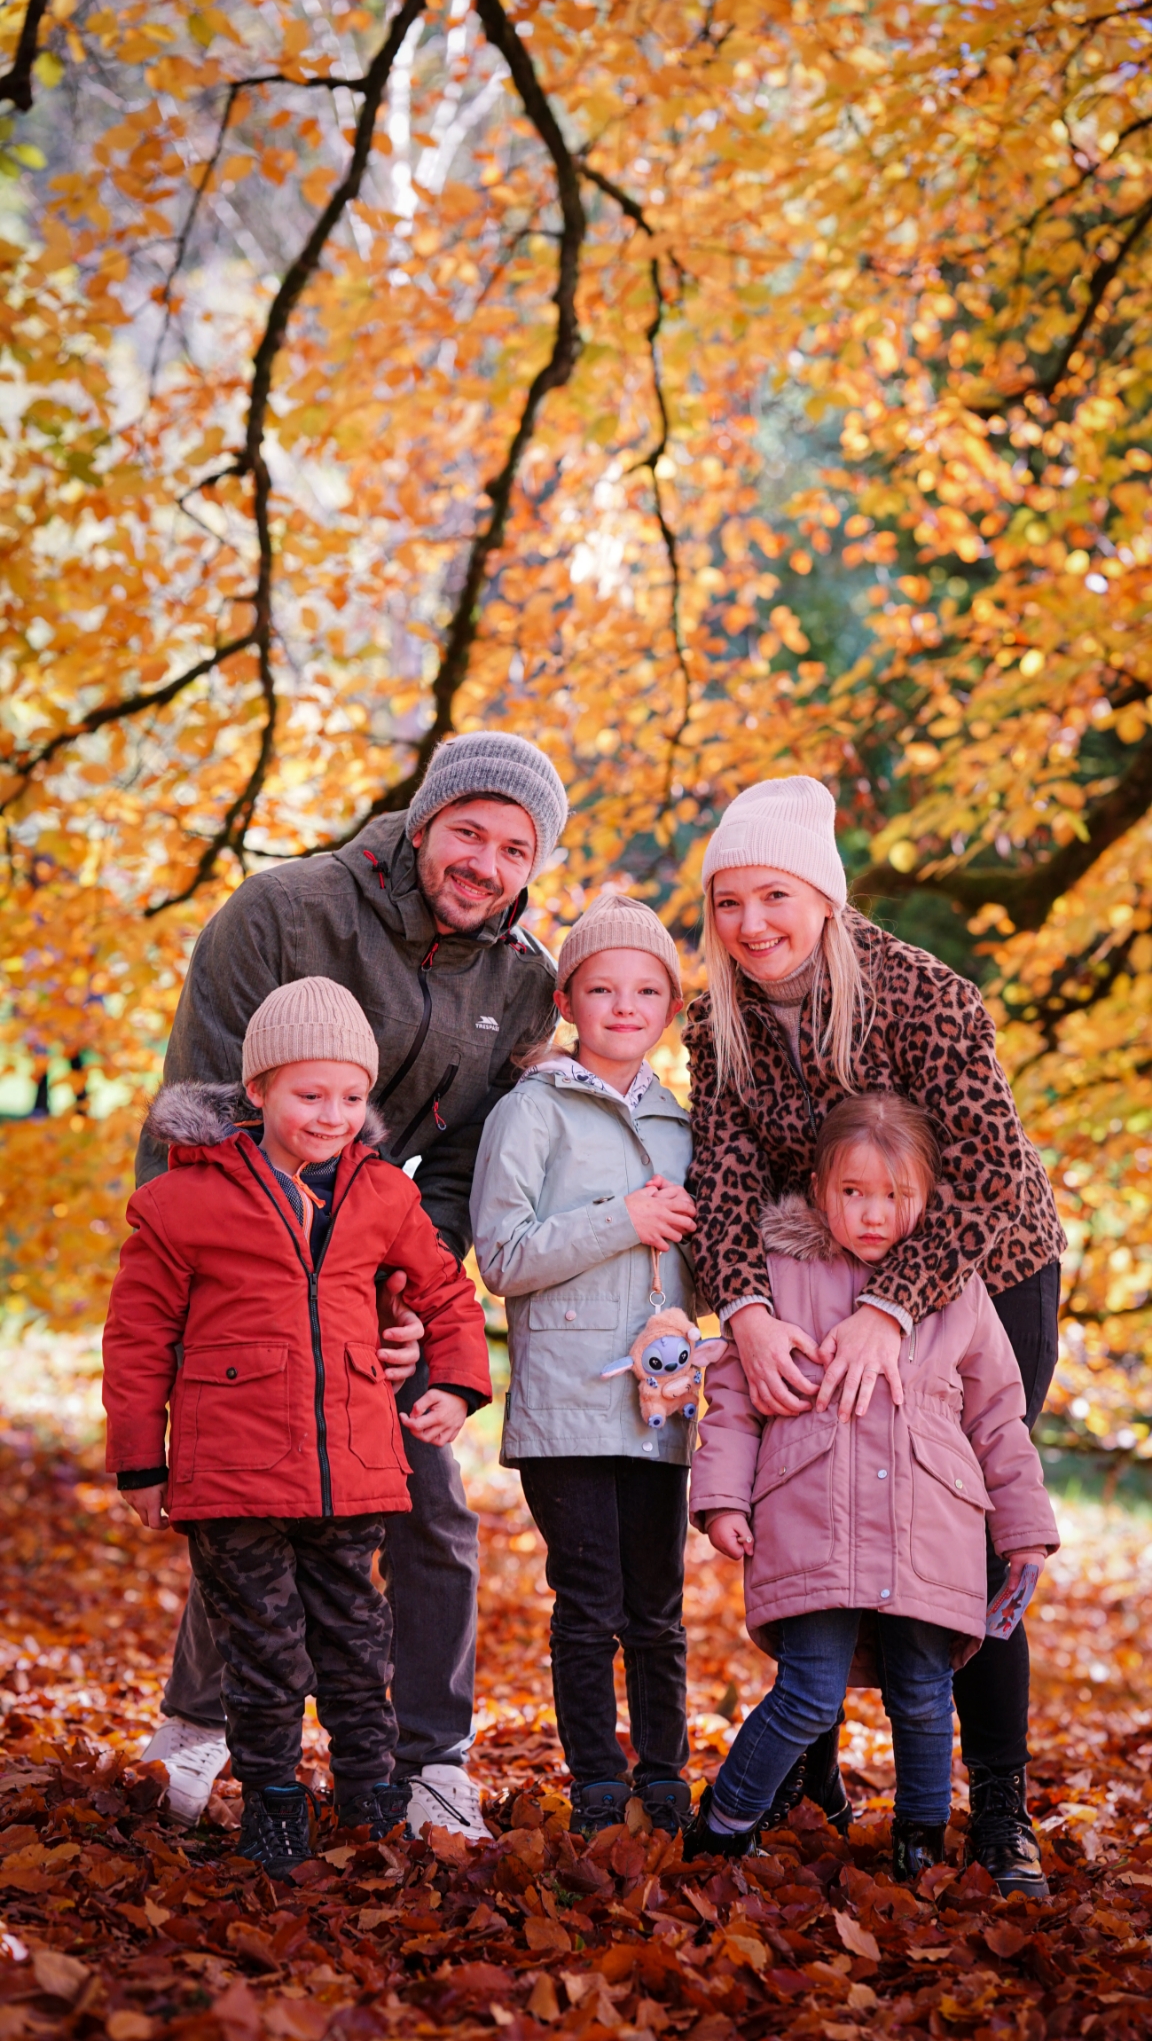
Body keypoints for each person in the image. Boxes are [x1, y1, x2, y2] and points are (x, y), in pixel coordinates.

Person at [134, 731, 567, 1839]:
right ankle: (196, 1723)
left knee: (430, 1505)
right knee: (252, 1500)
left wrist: (403, 1303)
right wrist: (266, 1299)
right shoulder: (285, 912)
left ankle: (429, 1759)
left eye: (515, 846)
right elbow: (198, 1110)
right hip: (239, 1264)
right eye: (467, 828)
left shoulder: (522, 979)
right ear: (422, 822)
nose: (485, 859)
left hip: (378, 1273)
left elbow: (470, 1156)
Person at [685, 775, 1067, 1895]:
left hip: (978, 1274)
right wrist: (746, 1310)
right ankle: (807, 1770)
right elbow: (722, 1168)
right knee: (809, 1477)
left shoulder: (922, 994)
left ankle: (997, 1807)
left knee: (966, 1524)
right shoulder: (721, 1015)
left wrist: (890, 1310)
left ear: (825, 898)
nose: (750, 924)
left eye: (773, 896)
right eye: (725, 902)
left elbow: (989, 1171)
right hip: (802, 1274)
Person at [103, 979, 492, 1876]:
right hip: (234, 1476)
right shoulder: (181, 1203)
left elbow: (444, 1292)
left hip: (352, 1468)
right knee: (267, 1654)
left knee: (358, 1645)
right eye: (309, 1095)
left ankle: (370, 1796)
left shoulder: (381, 1194)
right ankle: (273, 1797)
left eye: (351, 1098)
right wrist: (139, 1463)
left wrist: (461, 1387)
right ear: (258, 1093)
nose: (331, 1115)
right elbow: (137, 1338)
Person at [686, 1093, 1058, 1878]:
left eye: (895, 1196)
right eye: (853, 1192)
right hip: (813, 1523)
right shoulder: (782, 1276)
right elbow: (732, 1398)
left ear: (926, 1198)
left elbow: (999, 1416)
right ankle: (723, 1821)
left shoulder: (956, 1292)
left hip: (930, 1529)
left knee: (922, 1694)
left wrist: (1024, 1530)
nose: (872, 1214)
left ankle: (918, 1841)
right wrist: (722, 1499)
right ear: (821, 1188)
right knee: (809, 1693)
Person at [470, 894, 699, 1837]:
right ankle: (598, 1778)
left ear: (670, 1009)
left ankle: (666, 1776)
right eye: (602, 988)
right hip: (568, 1407)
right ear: (567, 999)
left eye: (647, 989)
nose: (624, 1005)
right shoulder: (532, 1113)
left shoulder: (685, 1127)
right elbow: (504, 1257)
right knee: (590, 1600)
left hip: (664, 1404)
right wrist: (623, 1221)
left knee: (659, 1608)